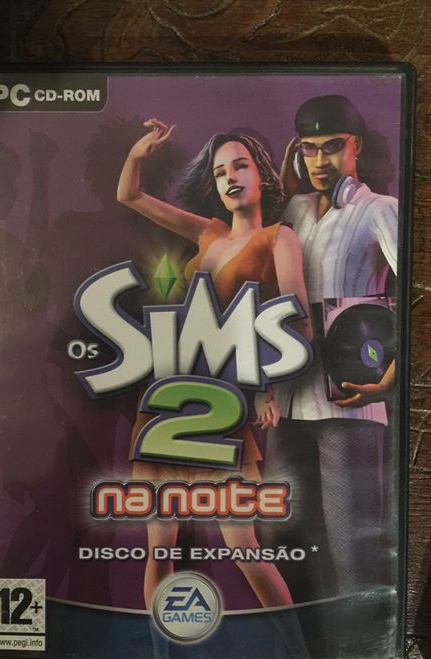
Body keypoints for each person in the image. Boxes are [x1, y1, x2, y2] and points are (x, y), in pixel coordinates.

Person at [117, 118, 312, 609]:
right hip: (168, 397)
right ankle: (161, 646)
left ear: (262, 175)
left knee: (243, 546)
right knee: (159, 549)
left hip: (224, 402)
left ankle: (296, 648)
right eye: (220, 171)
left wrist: (265, 385)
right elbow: (130, 196)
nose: (229, 178)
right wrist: (138, 154)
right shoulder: (210, 231)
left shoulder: (278, 238)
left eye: (240, 166)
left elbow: (298, 324)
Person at [271, 94, 398, 594]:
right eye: (309, 148)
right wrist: (287, 179)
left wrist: (391, 378)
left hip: (350, 400)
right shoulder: (294, 210)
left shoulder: (378, 209)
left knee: (353, 551)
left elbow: (421, 294)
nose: (320, 160)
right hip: (287, 399)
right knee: (281, 542)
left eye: (332, 147)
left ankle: (362, 635)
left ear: (355, 146)